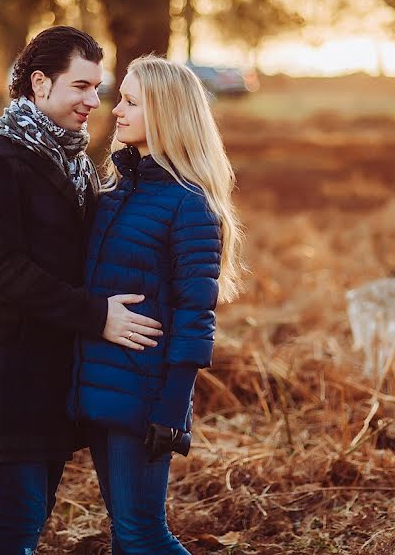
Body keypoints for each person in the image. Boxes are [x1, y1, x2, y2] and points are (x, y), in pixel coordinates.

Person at [0, 26, 164, 555]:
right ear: (40, 82)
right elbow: (5, 272)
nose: (94, 101)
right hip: (6, 374)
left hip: (57, 375)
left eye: (99, 88)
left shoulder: (75, 164)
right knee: (20, 518)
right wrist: (98, 317)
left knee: (33, 516)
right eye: (81, 87)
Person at [68, 55, 246, 554]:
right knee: (124, 535)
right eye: (118, 98)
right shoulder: (117, 191)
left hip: (144, 398)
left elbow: (195, 317)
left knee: (143, 534)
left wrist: (171, 408)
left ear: (164, 113)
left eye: (129, 102)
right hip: (101, 387)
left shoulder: (190, 205)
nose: (115, 111)